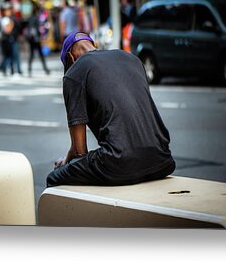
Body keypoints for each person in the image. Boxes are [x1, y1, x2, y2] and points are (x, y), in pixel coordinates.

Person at [46, 31, 175, 187]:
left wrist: (65, 163)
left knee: (54, 178)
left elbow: (79, 152)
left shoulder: (74, 73)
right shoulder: (130, 58)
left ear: (70, 58)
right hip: (162, 159)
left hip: (119, 164)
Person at [26, 3, 50, 76]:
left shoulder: (29, 18)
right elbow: (40, 28)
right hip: (36, 39)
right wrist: (42, 36)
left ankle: (29, 69)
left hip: (31, 39)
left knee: (32, 54)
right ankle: (46, 69)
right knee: (40, 54)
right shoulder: (37, 18)